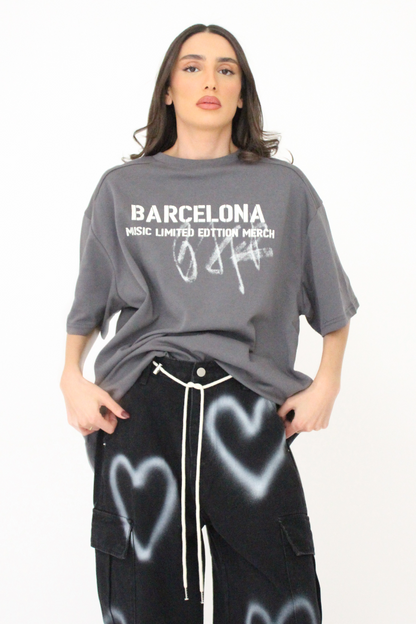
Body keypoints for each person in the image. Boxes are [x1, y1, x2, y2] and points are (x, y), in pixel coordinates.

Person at [60, 23, 359, 624]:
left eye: (227, 70)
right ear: (168, 89)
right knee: (141, 601)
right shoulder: (122, 189)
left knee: (281, 597)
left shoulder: (284, 189)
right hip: (141, 413)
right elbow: (88, 305)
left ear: (242, 94)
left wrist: (327, 383)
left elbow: (332, 305)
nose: (210, 82)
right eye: (192, 67)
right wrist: (71, 377)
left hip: (246, 411)